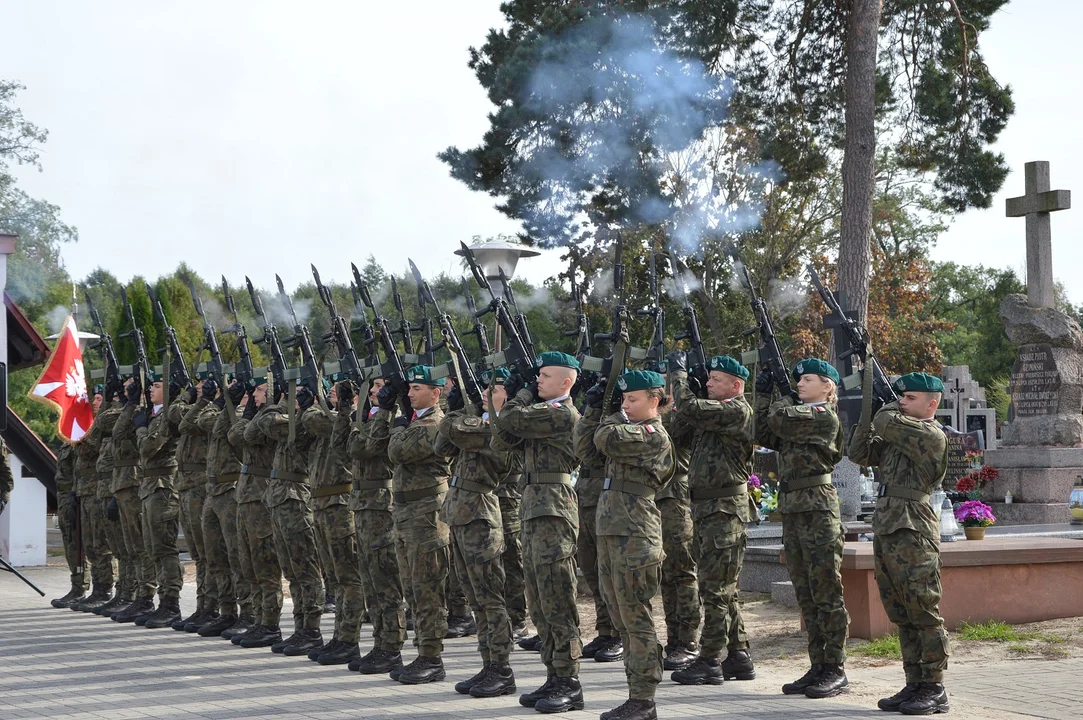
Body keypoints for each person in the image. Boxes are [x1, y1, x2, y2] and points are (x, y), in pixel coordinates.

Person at [849, 372, 951, 716]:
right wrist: (867, 409)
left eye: (909, 398)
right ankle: (915, 682)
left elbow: (884, 420)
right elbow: (860, 452)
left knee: (922, 608)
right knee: (902, 611)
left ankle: (934, 686)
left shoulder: (928, 434)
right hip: (890, 525)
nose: (902, 403)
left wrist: (883, 403)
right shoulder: (901, 431)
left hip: (913, 528)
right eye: (901, 397)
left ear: (931, 404)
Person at [495, 351, 585, 714]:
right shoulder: (538, 413)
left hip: (554, 510)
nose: (538, 381)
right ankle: (553, 673)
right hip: (533, 507)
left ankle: (570, 680)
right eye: (538, 376)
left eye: (545, 376)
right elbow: (502, 437)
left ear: (566, 382)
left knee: (558, 597)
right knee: (539, 599)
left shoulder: (561, 413)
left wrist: (517, 396)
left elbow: (512, 418)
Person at [755, 359, 849, 698]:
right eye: (797, 380)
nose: (800, 384)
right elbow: (763, 429)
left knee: (826, 589)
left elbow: (780, 419)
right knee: (806, 592)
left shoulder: (823, 416)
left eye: (808, 380)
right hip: (794, 508)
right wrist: (764, 393)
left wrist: (780, 396)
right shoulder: (798, 416)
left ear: (827, 386)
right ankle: (818, 665)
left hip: (818, 508)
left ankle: (835, 667)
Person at [584, 369, 675, 720]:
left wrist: (609, 415)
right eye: (622, 399)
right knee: (620, 616)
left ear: (655, 400)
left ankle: (644, 698)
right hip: (612, 532)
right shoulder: (626, 428)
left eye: (632, 399)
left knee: (636, 616)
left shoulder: (652, 435)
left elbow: (604, 439)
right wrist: (594, 409)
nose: (625, 405)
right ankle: (635, 693)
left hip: (635, 535)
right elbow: (586, 444)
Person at [666, 352, 756, 685]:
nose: (707, 383)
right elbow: (679, 431)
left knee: (715, 589)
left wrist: (678, 377)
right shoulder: (710, 414)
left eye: (714, 380)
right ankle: (738, 654)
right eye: (707, 379)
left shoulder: (737, 410)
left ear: (735, 385)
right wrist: (689, 390)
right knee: (723, 589)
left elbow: (691, 408)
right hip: (706, 509)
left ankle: (709, 660)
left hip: (724, 509)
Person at [434, 367, 518, 698]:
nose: (485, 394)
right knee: (474, 599)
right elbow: (442, 445)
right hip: (460, 513)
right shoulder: (477, 422)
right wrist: (459, 405)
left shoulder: (499, 429)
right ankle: (488, 665)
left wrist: (455, 411)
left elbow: (447, 427)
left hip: (481, 516)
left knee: (489, 597)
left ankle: (502, 668)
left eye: (494, 390)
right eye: (484, 389)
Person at [374, 365, 453, 684]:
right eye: (409, 388)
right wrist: (387, 409)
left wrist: (396, 417)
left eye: (416, 389)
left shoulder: (436, 423)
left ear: (436, 393)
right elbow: (377, 444)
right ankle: (422, 653)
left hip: (427, 515)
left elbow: (396, 450)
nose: (410, 393)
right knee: (412, 587)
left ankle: (431, 657)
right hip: (407, 513)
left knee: (427, 588)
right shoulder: (415, 420)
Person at [254, 380, 325, 656]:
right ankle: (300, 628)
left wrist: (286, 401)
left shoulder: (310, 420)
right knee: (292, 572)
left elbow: (271, 423)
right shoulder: (295, 417)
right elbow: (263, 424)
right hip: (281, 498)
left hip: (297, 499)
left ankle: (312, 629)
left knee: (305, 569)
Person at [344, 377, 407, 675]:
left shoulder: (393, 417)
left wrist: (384, 409)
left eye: (380, 386)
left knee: (386, 582)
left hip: (382, 506)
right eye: (371, 387)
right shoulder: (372, 415)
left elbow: (371, 447)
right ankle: (380, 643)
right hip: (364, 505)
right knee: (370, 581)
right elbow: (346, 445)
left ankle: (392, 648)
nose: (373, 392)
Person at [302, 379, 365, 665]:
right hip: (323, 503)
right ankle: (339, 636)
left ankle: (349, 639)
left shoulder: (352, 418)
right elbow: (312, 420)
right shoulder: (331, 416)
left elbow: (339, 428)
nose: (331, 395)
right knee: (336, 578)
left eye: (337, 391)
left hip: (342, 504)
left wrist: (347, 409)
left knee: (349, 577)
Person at [192, 379, 253, 638]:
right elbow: (198, 421)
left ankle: (248, 613)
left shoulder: (238, 416)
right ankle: (226, 611)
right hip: (213, 491)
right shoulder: (222, 412)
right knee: (215, 557)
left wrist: (229, 404)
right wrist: (219, 401)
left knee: (236, 556)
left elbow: (218, 429)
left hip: (230, 490)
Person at [228, 379, 285, 648]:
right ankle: (257, 619)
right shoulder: (260, 416)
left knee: (265, 564)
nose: (254, 395)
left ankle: (270, 624)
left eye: (260, 391)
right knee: (248, 561)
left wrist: (254, 414)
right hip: (246, 494)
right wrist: (249, 413)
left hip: (261, 495)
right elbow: (234, 436)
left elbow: (247, 435)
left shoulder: (273, 418)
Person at [131, 375, 187, 629]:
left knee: (164, 549)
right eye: (151, 385)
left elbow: (148, 448)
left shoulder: (166, 417)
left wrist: (141, 428)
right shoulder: (155, 415)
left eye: (157, 386)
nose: (150, 389)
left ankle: (171, 605)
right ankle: (156, 600)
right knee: (152, 548)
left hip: (163, 487)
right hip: (149, 487)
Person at [657, 387, 701, 672]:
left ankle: (688, 641)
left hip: (676, 499)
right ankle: (674, 638)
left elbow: (673, 436)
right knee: (666, 575)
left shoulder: (681, 418)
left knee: (682, 572)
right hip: (657, 499)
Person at [111, 378, 157, 624]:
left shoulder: (151, 416)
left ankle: (146, 596)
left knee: (141, 546)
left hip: (137, 484)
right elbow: (117, 432)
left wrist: (135, 406)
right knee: (132, 547)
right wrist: (130, 403)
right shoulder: (137, 413)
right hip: (125, 484)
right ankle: (139, 595)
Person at [173, 378, 215, 631]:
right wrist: (189, 396)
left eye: (203, 385)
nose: (198, 388)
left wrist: (204, 400)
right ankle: (203, 607)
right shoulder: (199, 407)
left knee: (210, 555)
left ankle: (213, 607)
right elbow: (177, 415)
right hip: (187, 486)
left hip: (201, 485)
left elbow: (188, 421)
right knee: (199, 555)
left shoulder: (213, 411)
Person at [69, 387, 116, 612]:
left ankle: (105, 588)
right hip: (85, 490)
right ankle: (97, 588)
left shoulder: (104, 426)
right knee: (90, 544)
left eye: (99, 398)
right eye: (94, 398)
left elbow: (92, 450)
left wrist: (77, 435)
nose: (94, 402)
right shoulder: (91, 424)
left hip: (99, 488)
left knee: (101, 543)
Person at [93, 383, 134, 618]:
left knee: (133, 550)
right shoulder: (122, 415)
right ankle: (122, 593)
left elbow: (108, 425)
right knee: (119, 548)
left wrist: (123, 402)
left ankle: (134, 595)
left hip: (130, 488)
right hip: (113, 487)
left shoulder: (134, 413)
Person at [50, 441, 89, 608]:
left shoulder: (79, 440)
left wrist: (76, 493)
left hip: (75, 496)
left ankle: (80, 588)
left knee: (78, 543)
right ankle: (76, 586)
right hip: (64, 496)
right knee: (69, 542)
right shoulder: (67, 443)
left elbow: (81, 470)